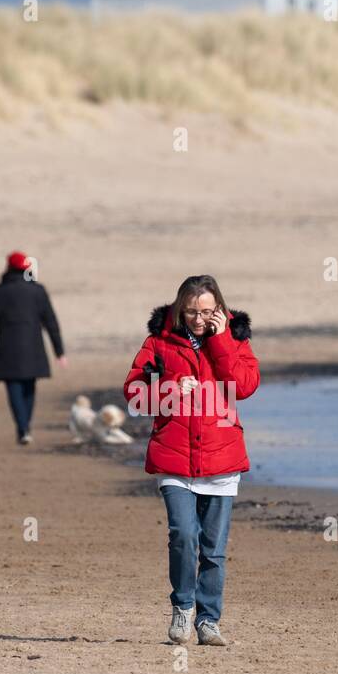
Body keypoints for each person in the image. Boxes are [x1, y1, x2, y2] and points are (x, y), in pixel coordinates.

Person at [122, 275, 260, 647]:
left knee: (214, 549)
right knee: (183, 536)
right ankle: (183, 607)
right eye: (191, 312)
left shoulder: (235, 340)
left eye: (207, 312)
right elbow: (135, 395)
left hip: (222, 456)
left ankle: (208, 621)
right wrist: (167, 389)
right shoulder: (158, 342)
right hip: (174, 457)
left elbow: (244, 386)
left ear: (219, 310)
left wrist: (220, 341)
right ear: (180, 309)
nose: (198, 319)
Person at [0, 252, 66, 445]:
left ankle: (23, 428)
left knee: (14, 386)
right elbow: (51, 322)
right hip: (33, 346)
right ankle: (25, 427)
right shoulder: (38, 291)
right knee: (29, 386)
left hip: (6, 346)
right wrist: (59, 351)